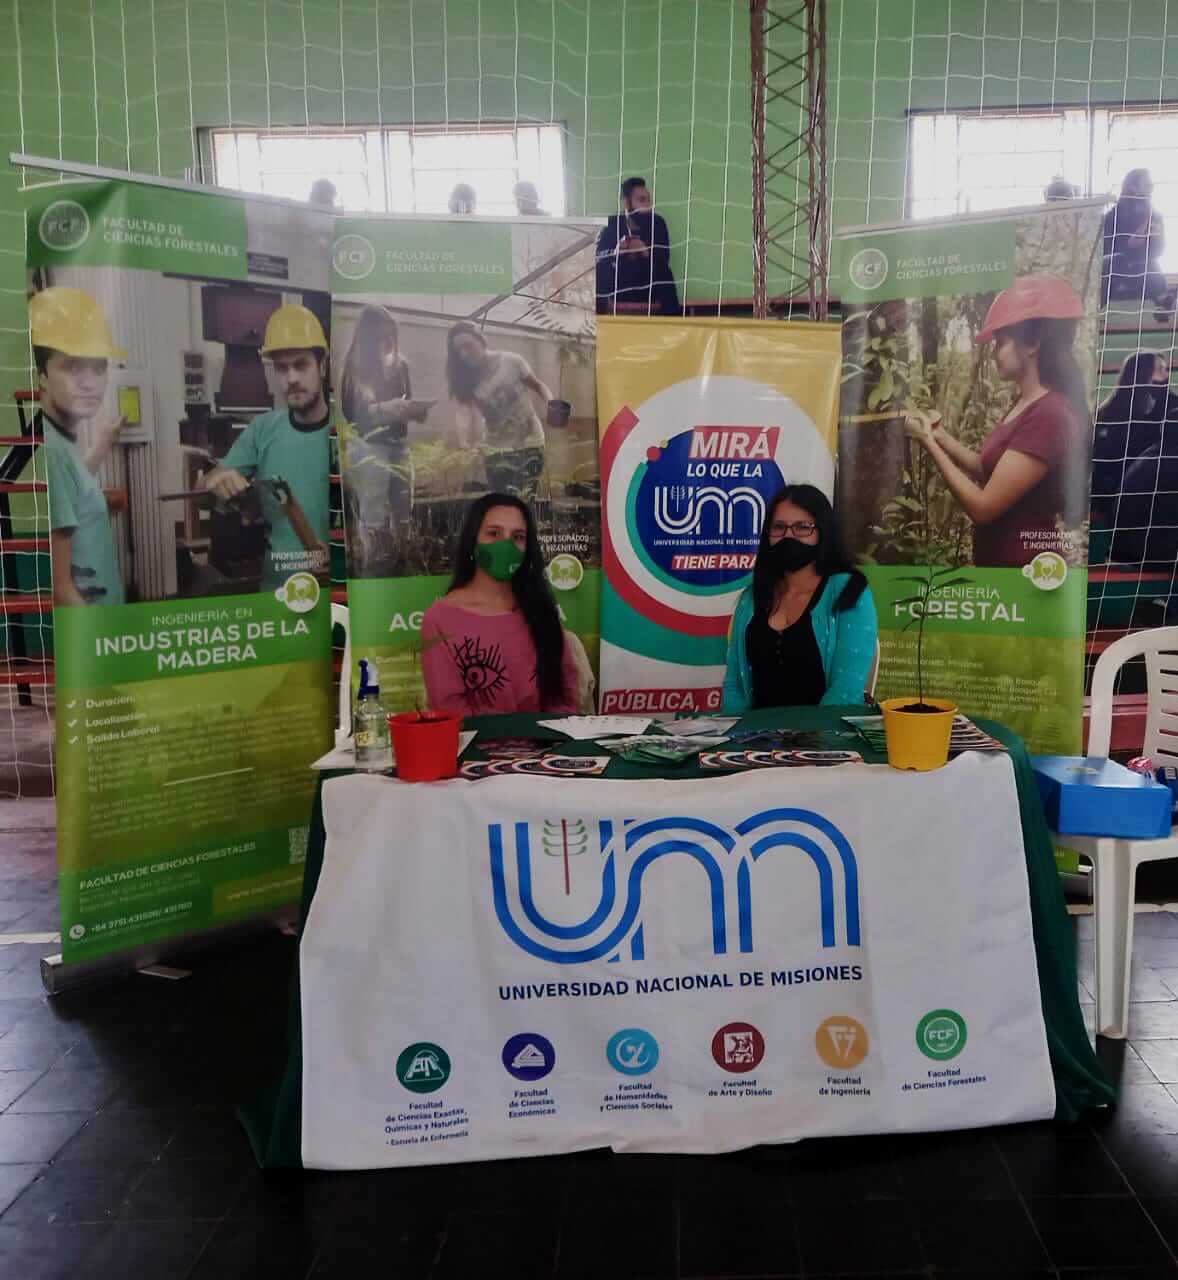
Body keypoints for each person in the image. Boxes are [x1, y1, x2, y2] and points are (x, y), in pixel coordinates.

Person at [905, 275, 1089, 568]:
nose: (993, 354)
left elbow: (983, 507)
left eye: (1001, 343)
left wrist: (927, 442)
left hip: (1026, 570)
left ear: (1032, 344)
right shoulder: (1025, 404)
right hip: (1001, 566)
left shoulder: (1050, 415)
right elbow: (988, 470)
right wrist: (940, 436)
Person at [204, 304, 332, 590]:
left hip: (336, 594)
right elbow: (205, 490)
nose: (291, 378)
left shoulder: (347, 433)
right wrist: (216, 481)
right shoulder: (262, 430)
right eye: (282, 368)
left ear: (322, 365)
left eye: (301, 365)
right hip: (278, 594)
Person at [722, 484, 877, 712]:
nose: (788, 536)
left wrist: (811, 734)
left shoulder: (849, 591)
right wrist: (737, 730)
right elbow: (734, 687)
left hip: (825, 731)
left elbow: (845, 690)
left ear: (823, 532)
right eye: (779, 527)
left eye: (802, 527)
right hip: (755, 733)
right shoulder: (751, 598)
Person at [420, 493, 579, 714]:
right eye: (494, 533)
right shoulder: (439, 620)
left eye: (518, 536)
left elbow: (564, 692)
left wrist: (547, 733)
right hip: (474, 737)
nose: (506, 545)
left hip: (546, 735)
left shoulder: (540, 610)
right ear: (472, 540)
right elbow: (449, 709)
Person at [30, 288, 128, 607]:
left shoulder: (56, 439)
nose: (90, 382)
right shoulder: (50, 451)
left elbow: (71, 490)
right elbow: (60, 591)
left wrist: (101, 446)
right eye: (72, 366)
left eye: (98, 367)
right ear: (41, 373)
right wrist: (99, 635)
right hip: (92, 625)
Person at [339, 306, 429, 546]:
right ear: (368, 338)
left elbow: (406, 403)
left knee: (404, 507)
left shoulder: (401, 365)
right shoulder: (355, 367)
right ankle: (375, 558)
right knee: (374, 510)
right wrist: (384, 408)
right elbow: (351, 414)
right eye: (381, 336)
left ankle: (403, 554)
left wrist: (416, 412)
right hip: (369, 446)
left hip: (398, 444)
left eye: (391, 335)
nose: (388, 341)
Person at [446, 321, 554, 501]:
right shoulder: (466, 379)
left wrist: (551, 403)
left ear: (481, 339)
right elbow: (464, 412)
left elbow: (538, 386)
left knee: (526, 501)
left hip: (530, 443)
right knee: (502, 503)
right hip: (496, 450)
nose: (464, 354)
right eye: (458, 351)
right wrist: (463, 441)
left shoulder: (512, 361)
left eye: (468, 346)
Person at [1092, 351, 1178, 568]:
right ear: (1143, 373)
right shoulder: (1112, 413)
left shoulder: (1166, 406)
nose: (1166, 375)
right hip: (1121, 503)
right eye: (1160, 370)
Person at [595, 176, 681, 316]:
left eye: (648, 199)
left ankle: (673, 324)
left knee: (665, 272)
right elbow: (599, 255)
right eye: (642, 200)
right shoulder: (612, 223)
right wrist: (616, 251)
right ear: (627, 203)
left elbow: (664, 258)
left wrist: (645, 251)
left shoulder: (657, 222)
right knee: (600, 270)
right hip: (619, 285)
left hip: (648, 286)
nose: (648, 204)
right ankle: (597, 323)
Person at [1102, 169, 1176, 317]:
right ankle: (1162, 299)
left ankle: (1162, 300)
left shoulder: (1155, 216)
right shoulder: (1113, 216)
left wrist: (1155, 239)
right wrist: (1133, 242)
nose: (1151, 188)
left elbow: (1158, 251)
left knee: (1150, 264)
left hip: (1145, 269)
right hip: (1117, 269)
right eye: (1147, 184)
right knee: (1126, 261)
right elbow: (1110, 249)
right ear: (1132, 188)